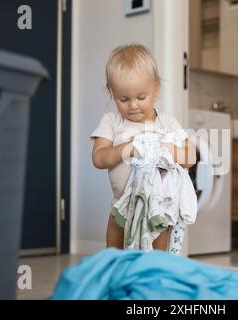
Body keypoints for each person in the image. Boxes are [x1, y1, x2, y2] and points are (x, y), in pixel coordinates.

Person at [91, 44, 196, 251]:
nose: (133, 105)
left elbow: (190, 157)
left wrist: (165, 149)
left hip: (158, 208)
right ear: (112, 93)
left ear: (155, 88)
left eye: (141, 97)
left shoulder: (167, 123)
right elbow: (99, 158)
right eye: (123, 99)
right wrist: (129, 148)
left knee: (156, 259)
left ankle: (153, 281)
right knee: (115, 255)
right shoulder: (112, 121)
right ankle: (117, 281)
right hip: (121, 208)